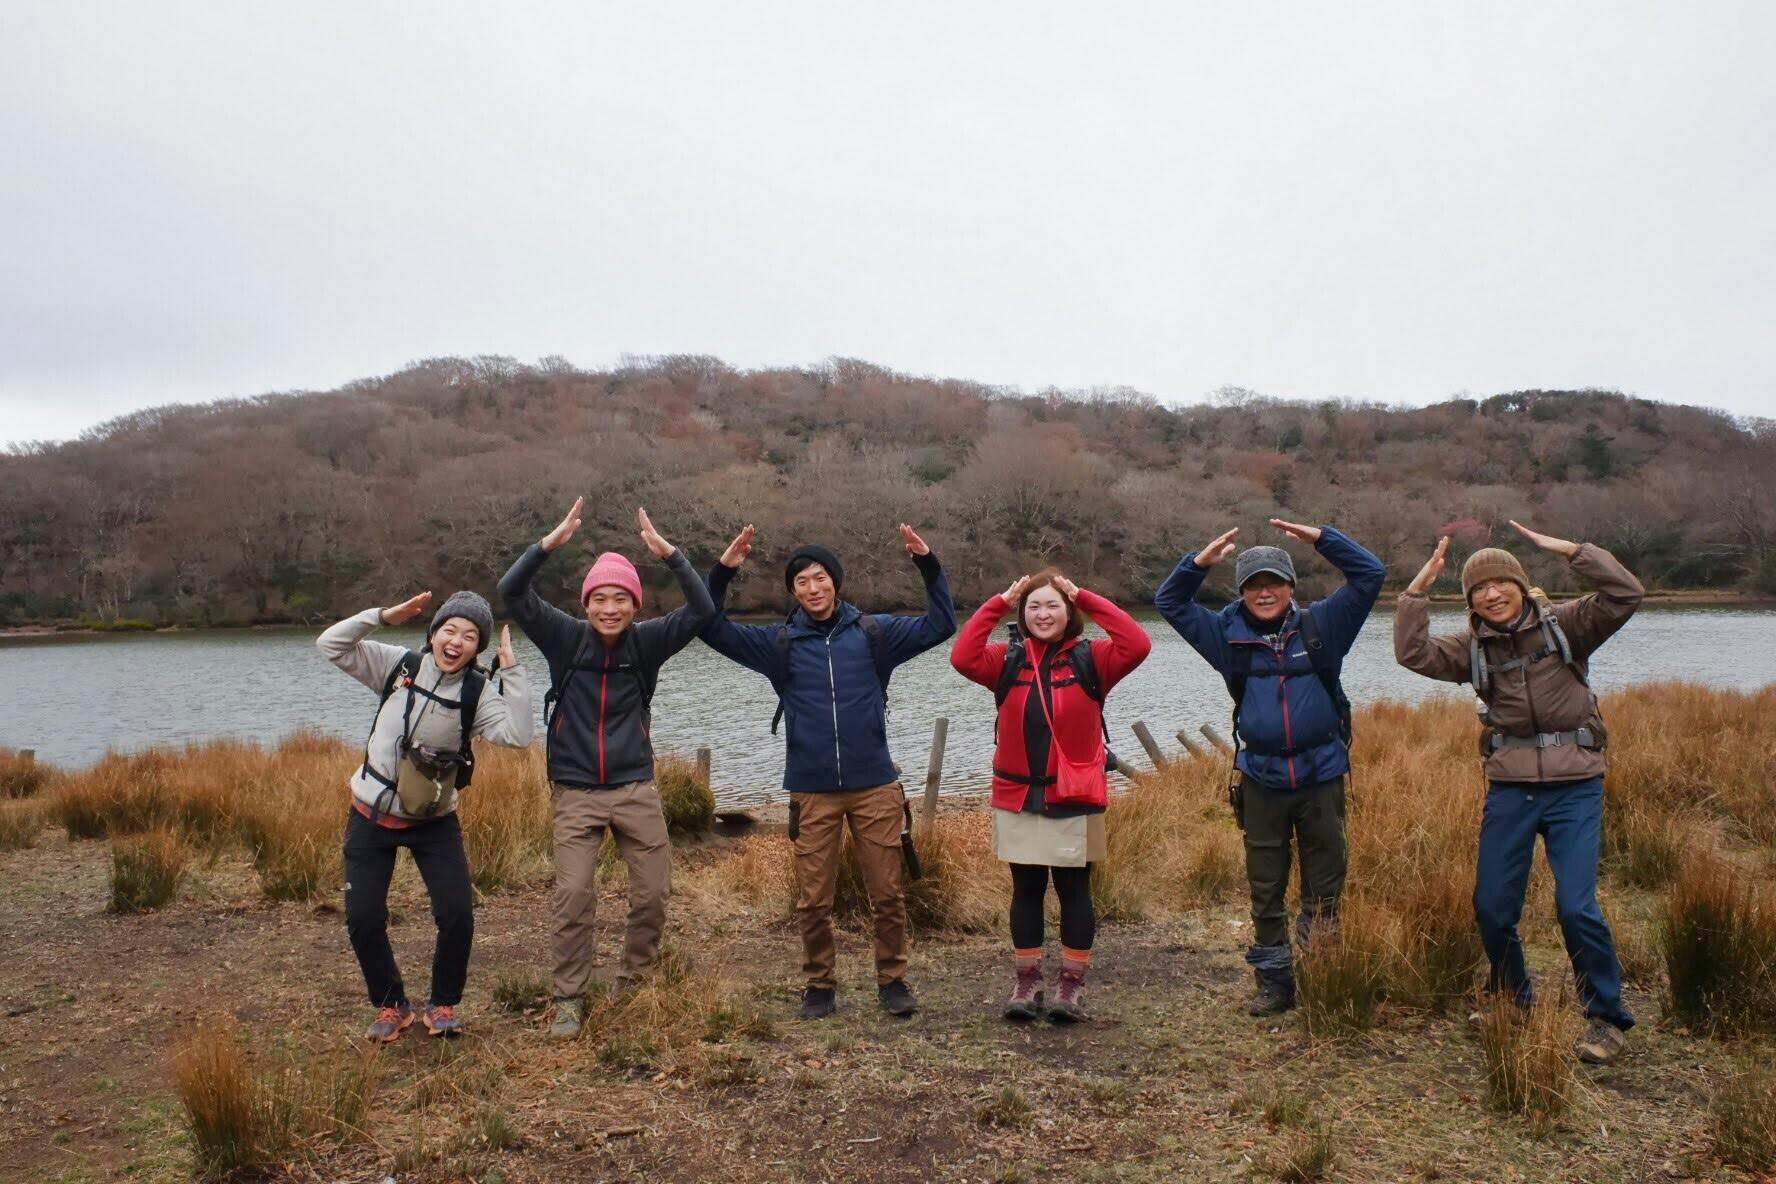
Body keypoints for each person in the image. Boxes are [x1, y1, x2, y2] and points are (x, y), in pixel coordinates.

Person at [1394, 520, 1643, 1065]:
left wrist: (1577, 549)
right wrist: (1416, 593)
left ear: (1520, 583)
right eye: (1478, 589)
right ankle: (1513, 998)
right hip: (1510, 789)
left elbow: (1626, 593)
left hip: (1576, 785)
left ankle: (1606, 1017)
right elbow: (1413, 655)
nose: (1490, 593)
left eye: (1499, 582)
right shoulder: (1471, 650)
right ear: (1471, 602)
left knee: (1576, 907)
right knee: (1491, 907)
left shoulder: (1570, 626)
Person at [701, 523, 957, 1019]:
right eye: (802, 582)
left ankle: (894, 981)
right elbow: (710, 627)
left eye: (820, 577)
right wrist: (723, 572)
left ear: (835, 581)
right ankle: (819, 985)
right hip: (812, 789)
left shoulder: (874, 633)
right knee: (814, 900)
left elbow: (941, 624)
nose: (813, 588)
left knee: (887, 893)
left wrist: (928, 564)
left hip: (876, 785)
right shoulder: (778, 643)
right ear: (793, 592)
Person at [499, 500, 715, 1039]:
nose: (610, 607)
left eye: (621, 598)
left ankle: (634, 980)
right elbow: (511, 593)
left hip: (636, 789)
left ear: (635, 605)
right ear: (586, 602)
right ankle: (570, 995)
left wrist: (671, 555)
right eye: (600, 597)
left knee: (652, 895)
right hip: (574, 792)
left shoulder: (648, 644)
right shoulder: (564, 637)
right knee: (573, 896)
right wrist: (546, 545)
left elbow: (702, 612)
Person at [1155, 519, 1384, 1017]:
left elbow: (1370, 575)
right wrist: (1196, 564)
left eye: (1273, 583)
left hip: (1322, 775)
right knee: (1266, 886)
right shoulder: (1224, 636)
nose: (1264, 592)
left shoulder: (1325, 625)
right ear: (1240, 591)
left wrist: (1323, 539)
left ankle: (1321, 972)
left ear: (1290, 588)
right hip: (1259, 779)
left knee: (1326, 882)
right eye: (1253, 584)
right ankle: (1275, 983)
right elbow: (1170, 603)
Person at [318, 589, 533, 1041]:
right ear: (434, 633)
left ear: (479, 648)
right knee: (363, 917)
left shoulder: (476, 692)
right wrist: (380, 616)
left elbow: (517, 734)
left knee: (457, 914)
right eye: (449, 630)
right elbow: (331, 645)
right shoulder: (398, 666)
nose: (456, 641)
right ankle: (391, 1005)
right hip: (370, 815)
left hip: (434, 822)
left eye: (470, 636)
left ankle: (443, 1004)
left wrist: (511, 672)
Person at [949, 569, 1151, 1022]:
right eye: (1033, 606)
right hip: (1017, 794)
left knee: (1075, 890)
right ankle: (1026, 983)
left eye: (1053, 605)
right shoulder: (1004, 660)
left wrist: (1086, 595)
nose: (1043, 614)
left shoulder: (1093, 658)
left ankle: (1070, 989)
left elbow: (1137, 643)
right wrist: (999, 603)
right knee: (1026, 889)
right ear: (1022, 615)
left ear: (1069, 613)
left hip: (1075, 795)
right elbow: (962, 657)